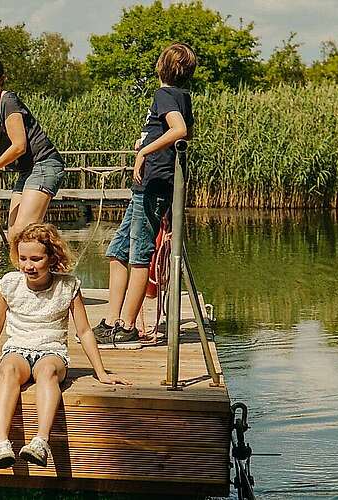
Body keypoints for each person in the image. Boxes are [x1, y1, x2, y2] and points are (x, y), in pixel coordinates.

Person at [0, 223, 131, 469]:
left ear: (52, 257)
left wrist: (101, 372)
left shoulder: (68, 286)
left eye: (36, 259)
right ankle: (1, 443)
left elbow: (85, 331)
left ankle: (40, 442)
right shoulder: (10, 284)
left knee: (47, 372)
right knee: (8, 371)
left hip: (51, 351)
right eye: (23, 258)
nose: (28, 265)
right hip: (17, 349)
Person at [95, 43, 198, 348]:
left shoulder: (165, 94)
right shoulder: (181, 96)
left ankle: (127, 328)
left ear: (161, 66)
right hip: (150, 186)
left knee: (139, 256)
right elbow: (187, 131)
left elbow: (178, 130)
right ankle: (112, 321)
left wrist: (144, 151)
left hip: (152, 185)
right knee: (117, 252)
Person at [0, 55, 67, 248]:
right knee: (13, 236)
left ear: (1, 78)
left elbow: (19, 146)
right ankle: (25, 276)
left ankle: (49, 267)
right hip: (27, 171)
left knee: (24, 231)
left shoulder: (9, 101)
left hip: (44, 164)